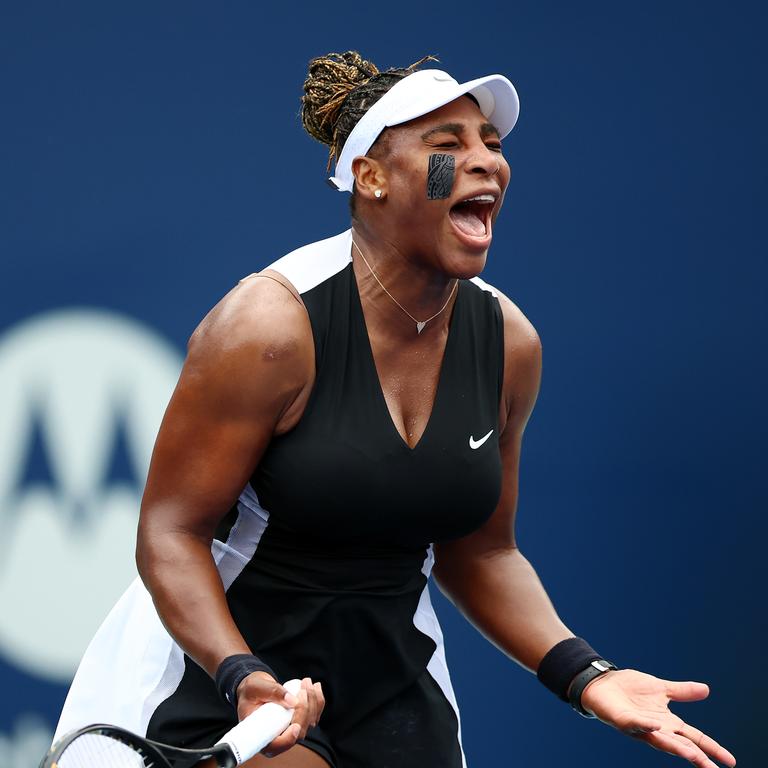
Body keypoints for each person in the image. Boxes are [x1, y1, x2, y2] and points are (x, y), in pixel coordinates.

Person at [53, 51, 737, 768]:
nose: (486, 164)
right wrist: (242, 674)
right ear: (370, 178)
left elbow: (482, 550)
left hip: (393, 685)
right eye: (449, 146)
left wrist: (587, 675)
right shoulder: (269, 327)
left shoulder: (508, 343)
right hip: (222, 668)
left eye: (492, 146)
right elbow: (171, 531)